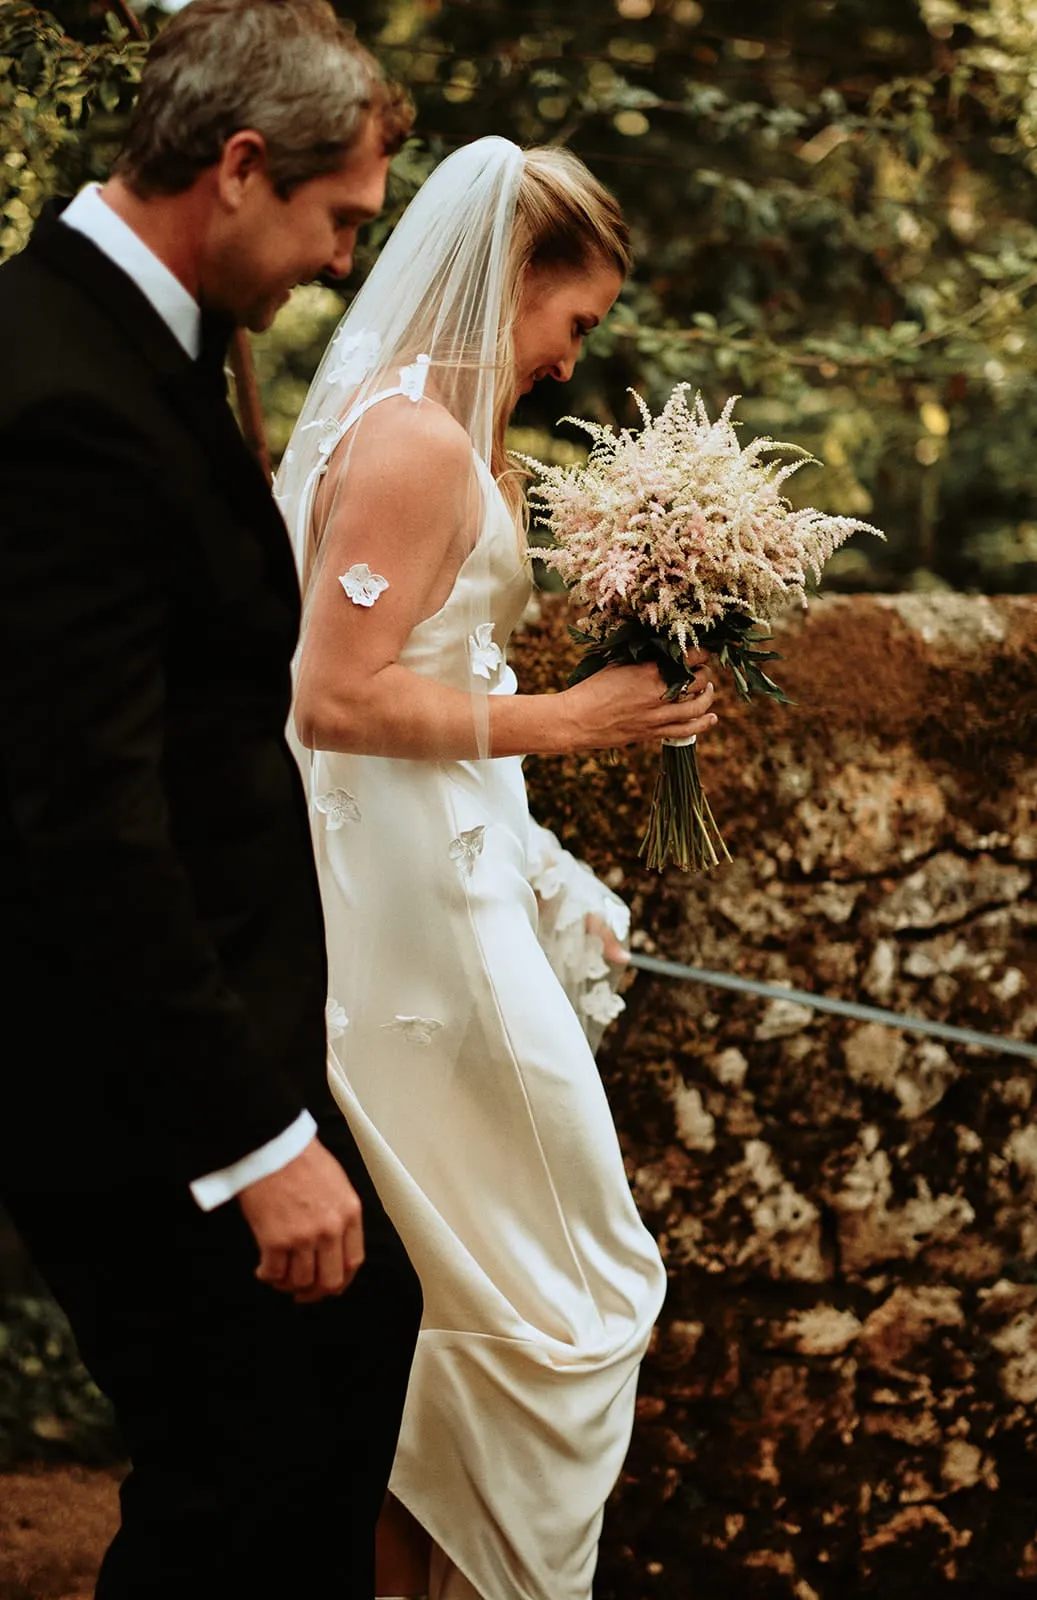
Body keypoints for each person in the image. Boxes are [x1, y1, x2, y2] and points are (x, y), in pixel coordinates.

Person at [0, 3, 422, 1596]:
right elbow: (81, 812)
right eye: (336, 221)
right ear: (240, 168)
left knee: (302, 1409)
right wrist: (252, 1140)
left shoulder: (140, 351)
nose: (337, 262)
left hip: (187, 1039)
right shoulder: (63, 395)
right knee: (250, 1459)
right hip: (122, 1065)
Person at [276, 136, 718, 1600]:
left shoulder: (440, 435)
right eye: (573, 322)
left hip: (459, 883)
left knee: (481, 1292)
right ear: (513, 278)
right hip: (413, 923)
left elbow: (435, 681)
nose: (570, 362)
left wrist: (544, 868)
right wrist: (580, 721)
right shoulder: (408, 443)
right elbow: (331, 701)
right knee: (580, 1289)